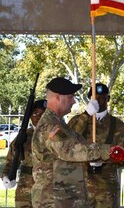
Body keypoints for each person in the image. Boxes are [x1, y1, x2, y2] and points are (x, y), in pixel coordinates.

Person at [31, 77, 112, 208]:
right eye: (71, 97)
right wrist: (109, 151)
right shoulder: (49, 126)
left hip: (64, 198)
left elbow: (80, 142)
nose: (74, 101)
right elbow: (72, 150)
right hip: (52, 200)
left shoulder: (59, 123)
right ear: (58, 97)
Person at [68, 83, 124, 208]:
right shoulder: (77, 121)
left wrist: (106, 159)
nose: (99, 101)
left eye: (103, 98)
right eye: (95, 98)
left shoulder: (118, 125)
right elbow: (68, 143)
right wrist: (86, 115)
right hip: (81, 185)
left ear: (108, 99)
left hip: (106, 189)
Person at [1, 99, 47, 208]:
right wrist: (6, 176)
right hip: (25, 184)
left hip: (46, 185)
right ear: (30, 116)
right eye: (35, 113)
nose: (38, 117)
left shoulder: (54, 135)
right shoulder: (24, 136)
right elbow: (12, 159)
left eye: (42, 114)